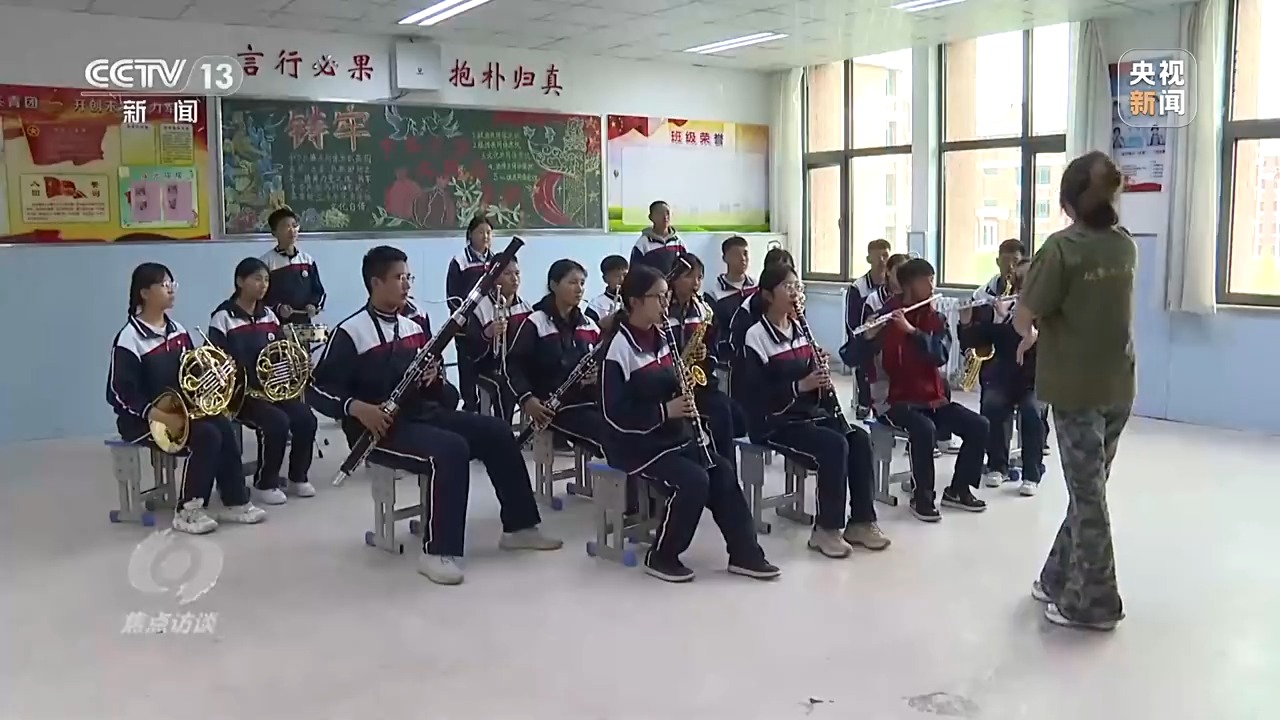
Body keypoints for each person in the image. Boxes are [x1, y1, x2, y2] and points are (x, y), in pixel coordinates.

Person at [309, 246, 561, 586]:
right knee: (450, 450)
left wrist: (434, 379)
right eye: (398, 278)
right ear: (375, 283)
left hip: (422, 414)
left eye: (408, 277)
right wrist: (357, 407)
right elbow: (317, 390)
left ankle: (520, 527)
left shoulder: (412, 326)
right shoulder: (351, 331)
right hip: (378, 430)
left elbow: (441, 393)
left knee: (498, 432)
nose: (406, 284)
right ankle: (437, 552)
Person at [1013, 150, 1136, 631]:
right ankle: (1058, 576)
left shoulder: (1061, 249)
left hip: (1075, 390)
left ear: (1068, 201)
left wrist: (1029, 333)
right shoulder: (1124, 246)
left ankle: (1096, 602)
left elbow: (1024, 315)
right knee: (1090, 490)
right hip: (1118, 385)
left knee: (1088, 498)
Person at [600, 264, 778, 583]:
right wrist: (664, 411)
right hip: (636, 445)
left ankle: (745, 553)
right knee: (693, 480)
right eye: (658, 297)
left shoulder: (662, 336)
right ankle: (662, 555)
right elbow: (614, 413)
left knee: (721, 470)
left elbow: (669, 383)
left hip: (672, 437)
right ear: (635, 302)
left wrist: (685, 393)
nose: (665, 303)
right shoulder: (619, 349)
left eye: (666, 296)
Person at [736, 264, 889, 558]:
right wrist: (800, 385)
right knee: (834, 446)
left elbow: (810, 382)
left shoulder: (800, 329)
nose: (795, 293)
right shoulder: (755, 336)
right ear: (768, 295)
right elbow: (754, 394)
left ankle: (861, 521)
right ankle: (826, 530)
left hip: (808, 414)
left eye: (797, 286)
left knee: (858, 439)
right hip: (774, 422)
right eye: (787, 287)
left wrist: (817, 373)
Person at [108, 262, 266, 534]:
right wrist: (162, 416)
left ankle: (235, 501)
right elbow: (119, 394)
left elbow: (192, 373)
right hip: (143, 420)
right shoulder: (129, 338)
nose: (171, 290)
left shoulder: (178, 330)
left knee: (222, 424)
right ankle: (188, 510)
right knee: (206, 435)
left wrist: (215, 375)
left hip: (182, 411)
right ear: (144, 293)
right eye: (164, 285)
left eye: (172, 284)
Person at [872, 258, 990, 521]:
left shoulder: (935, 319)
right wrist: (870, 335)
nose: (932, 287)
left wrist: (912, 331)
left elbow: (939, 355)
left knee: (979, 425)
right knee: (924, 429)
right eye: (926, 281)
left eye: (932, 280)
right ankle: (922, 497)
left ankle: (958, 490)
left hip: (930, 398)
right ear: (909, 286)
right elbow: (855, 356)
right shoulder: (886, 317)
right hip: (893, 401)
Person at [207, 258, 318, 505]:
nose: (263, 285)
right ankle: (265, 482)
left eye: (266, 280)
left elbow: (280, 353)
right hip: (241, 395)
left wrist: (296, 366)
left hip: (272, 390)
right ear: (240, 281)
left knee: (306, 418)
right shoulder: (223, 317)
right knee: (277, 422)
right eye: (257, 279)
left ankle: (298, 476)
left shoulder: (269, 315)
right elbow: (215, 360)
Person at [506, 259, 608, 457]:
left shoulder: (589, 325)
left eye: (582, 283)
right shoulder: (536, 322)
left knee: (625, 425)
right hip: (551, 407)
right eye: (572, 282)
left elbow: (604, 365)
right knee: (607, 435)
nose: (579, 289)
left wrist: (598, 375)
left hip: (588, 402)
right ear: (554, 285)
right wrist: (527, 399)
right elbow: (514, 365)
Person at [958, 258, 1043, 495]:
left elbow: (1042, 341)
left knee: (1031, 412)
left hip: (1034, 378)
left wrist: (1014, 323)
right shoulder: (1002, 306)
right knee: (992, 404)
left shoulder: (1045, 309)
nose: (1023, 287)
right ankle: (997, 466)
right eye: (1020, 281)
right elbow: (976, 342)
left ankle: (1032, 474)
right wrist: (967, 321)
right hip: (1003, 377)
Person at [664, 254, 744, 472]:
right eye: (689, 277)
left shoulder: (703, 310)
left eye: (699, 277)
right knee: (718, 413)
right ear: (674, 278)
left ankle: (726, 469)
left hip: (698, 381)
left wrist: (705, 352)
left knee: (731, 411)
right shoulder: (661, 310)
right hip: (668, 386)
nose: (696, 283)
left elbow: (713, 344)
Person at [463, 258, 532, 424]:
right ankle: (503, 430)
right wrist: (487, 334)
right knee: (504, 387)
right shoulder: (479, 308)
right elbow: (471, 353)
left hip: (515, 366)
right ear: (494, 278)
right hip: (487, 367)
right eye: (507, 274)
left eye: (517, 273)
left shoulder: (526, 307)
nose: (514, 279)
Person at [445, 214, 495, 412]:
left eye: (489, 232)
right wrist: (463, 322)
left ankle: (487, 408)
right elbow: (452, 297)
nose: (485, 236)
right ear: (470, 235)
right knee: (467, 369)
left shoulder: (496, 262)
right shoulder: (459, 261)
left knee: (489, 366)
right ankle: (470, 406)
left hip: (490, 323)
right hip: (467, 327)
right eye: (481, 232)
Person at [842, 241, 893, 419]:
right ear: (868, 259)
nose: (882, 260)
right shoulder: (858, 288)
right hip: (866, 338)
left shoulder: (894, 285)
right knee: (866, 352)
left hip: (888, 340)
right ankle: (865, 401)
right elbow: (851, 324)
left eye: (885, 256)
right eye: (877, 256)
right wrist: (868, 333)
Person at [260, 207, 325, 327]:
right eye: (286, 227)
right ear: (274, 232)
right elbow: (260, 296)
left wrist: (313, 304)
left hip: (304, 326)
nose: (292, 230)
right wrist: (278, 308)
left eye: (294, 226)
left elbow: (318, 291)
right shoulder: (266, 262)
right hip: (276, 325)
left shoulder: (307, 261)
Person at [629, 200, 685, 275]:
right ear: (651, 217)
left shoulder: (678, 241)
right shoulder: (643, 243)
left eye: (667, 213)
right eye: (660, 213)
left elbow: (685, 266)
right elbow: (635, 270)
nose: (665, 217)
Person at [706, 235, 756, 316]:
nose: (743, 258)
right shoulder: (713, 293)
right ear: (725, 258)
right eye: (736, 255)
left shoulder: (757, 287)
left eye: (745, 254)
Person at [585, 254, 628, 324]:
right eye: (616, 276)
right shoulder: (596, 304)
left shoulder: (635, 301)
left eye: (625, 275)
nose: (622, 279)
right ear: (605, 279)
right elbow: (588, 328)